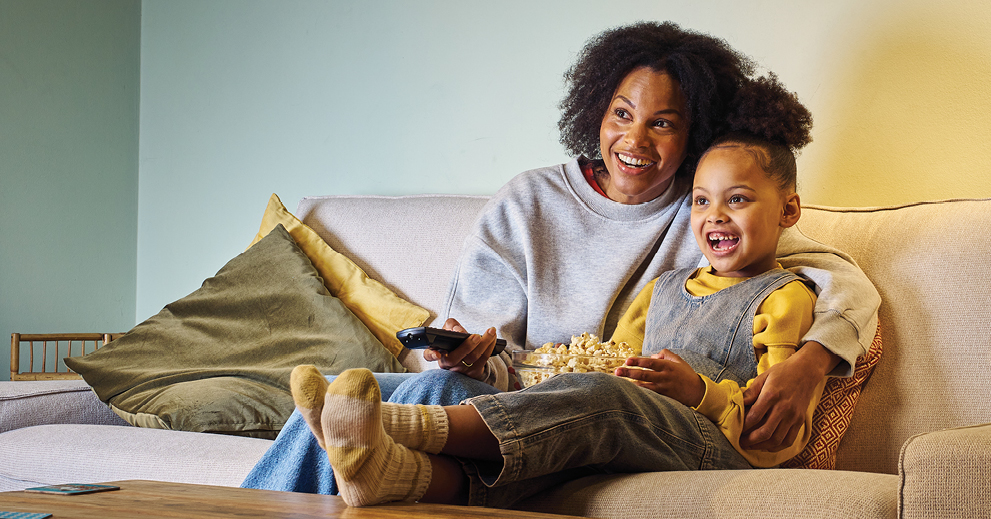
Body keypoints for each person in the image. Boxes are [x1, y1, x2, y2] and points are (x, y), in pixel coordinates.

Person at [242, 20, 879, 498]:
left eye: (663, 124)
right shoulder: (528, 202)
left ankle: (398, 444)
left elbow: (843, 281)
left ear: (695, 136)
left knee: (472, 401)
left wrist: (812, 364)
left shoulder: (709, 212)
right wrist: (468, 350)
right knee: (364, 393)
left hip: (622, 415)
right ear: (594, 112)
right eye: (622, 114)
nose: (634, 140)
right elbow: (477, 352)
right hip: (513, 393)